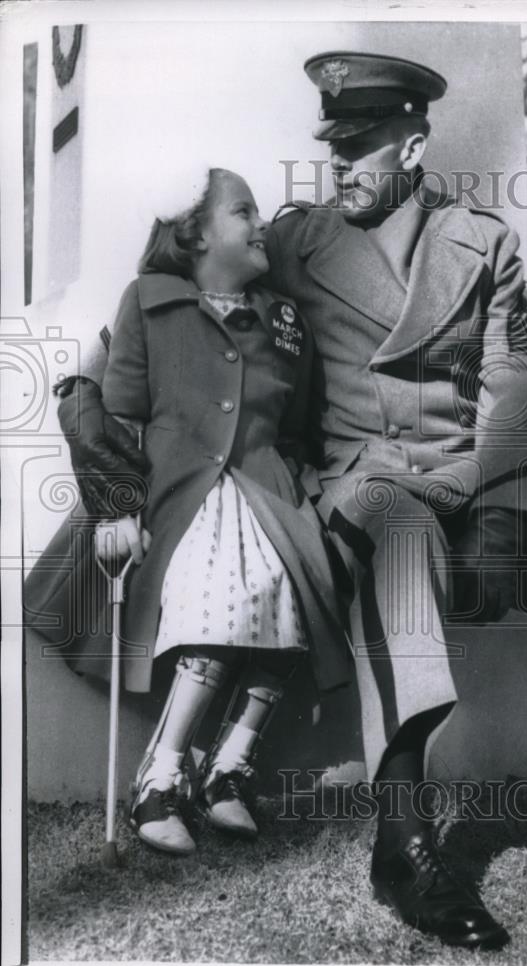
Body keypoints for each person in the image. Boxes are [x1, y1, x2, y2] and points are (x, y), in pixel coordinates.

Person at [46, 53, 527, 949]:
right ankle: (403, 844)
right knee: (398, 535)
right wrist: (105, 468)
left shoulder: (485, 241)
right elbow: (158, 320)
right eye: (334, 148)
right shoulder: (295, 240)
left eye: (359, 148)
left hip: (465, 477)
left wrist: (505, 508)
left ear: (412, 144)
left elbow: (516, 379)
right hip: (357, 486)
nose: (340, 166)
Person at [24, 165, 350, 856]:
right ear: (196, 234)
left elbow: (294, 424)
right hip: (176, 495)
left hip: (268, 493)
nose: (260, 224)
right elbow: (115, 414)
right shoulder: (146, 301)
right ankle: (161, 777)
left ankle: (227, 769)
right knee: (219, 605)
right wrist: (116, 506)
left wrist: (307, 494)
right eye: (243, 211)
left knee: (289, 611)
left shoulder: (285, 319)